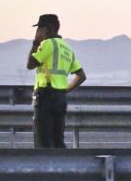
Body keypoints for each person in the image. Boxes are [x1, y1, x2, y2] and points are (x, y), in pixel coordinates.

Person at [26, 14, 86, 148]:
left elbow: (30, 64)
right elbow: (81, 76)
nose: (37, 32)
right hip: (60, 98)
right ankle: (61, 166)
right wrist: (64, 90)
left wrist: (36, 42)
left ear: (46, 30)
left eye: (39, 28)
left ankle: (44, 167)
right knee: (58, 140)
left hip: (45, 96)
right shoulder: (67, 48)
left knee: (43, 142)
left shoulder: (47, 44)